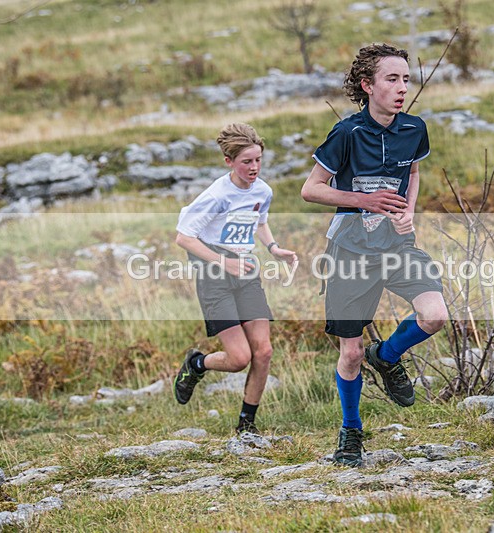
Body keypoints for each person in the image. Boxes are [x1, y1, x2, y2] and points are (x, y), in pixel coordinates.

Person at [301, 43, 448, 467]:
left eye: (406, 79)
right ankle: (351, 432)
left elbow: (413, 173)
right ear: (367, 86)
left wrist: (408, 213)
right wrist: (362, 201)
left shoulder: (414, 128)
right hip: (349, 248)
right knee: (349, 353)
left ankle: (385, 356)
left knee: (434, 314)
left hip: (397, 245)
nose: (402, 87)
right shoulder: (347, 134)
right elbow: (311, 190)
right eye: (391, 79)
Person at [172, 123, 297, 435]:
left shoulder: (263, 191)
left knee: (264, 351)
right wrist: (223, 263)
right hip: (215, 275)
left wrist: (274, 248)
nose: (254, 168)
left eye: (258, 160)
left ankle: (247, 425)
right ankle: (197, 364)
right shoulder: (215, 196)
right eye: (246, 162)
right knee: (239, 358)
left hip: (246, 272)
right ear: (229, 161)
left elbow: (260, 222)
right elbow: (184, 238)